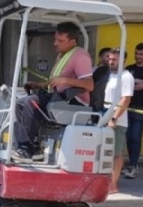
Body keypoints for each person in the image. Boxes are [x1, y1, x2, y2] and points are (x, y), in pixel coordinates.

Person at [12, 22, 94, 162]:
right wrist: (39, 85)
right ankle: (34, 146)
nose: (55, 43)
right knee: (20, 103)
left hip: (73, 102)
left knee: (31, 102)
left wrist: (65, 80)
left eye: (60, 40)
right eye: (55, 39)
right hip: (59, 98)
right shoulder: (63, 55)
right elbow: (57, 82)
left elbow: (89, 85)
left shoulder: (80, 57)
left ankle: (26, 150)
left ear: (73, 41)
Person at [102, 50, 134, 194]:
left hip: (118, 121)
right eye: (110, 58)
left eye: (114, 59)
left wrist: (114, 118)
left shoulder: (126, 77)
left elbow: (125, 99)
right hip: (104, 116)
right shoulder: (110, 75)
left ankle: (113, 184)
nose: (111, 61)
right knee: (106, 153)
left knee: (116, 153)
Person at [123, 42, 143, 179]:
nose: (137, 56)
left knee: (136, 137)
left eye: (141, 54)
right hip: (127, 107)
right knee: (128, 137)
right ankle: (130, 164)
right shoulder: (129, 68)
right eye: (136, 53)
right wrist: (135, 85)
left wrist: (130, 86)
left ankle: (134, 165)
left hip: (141, 107)